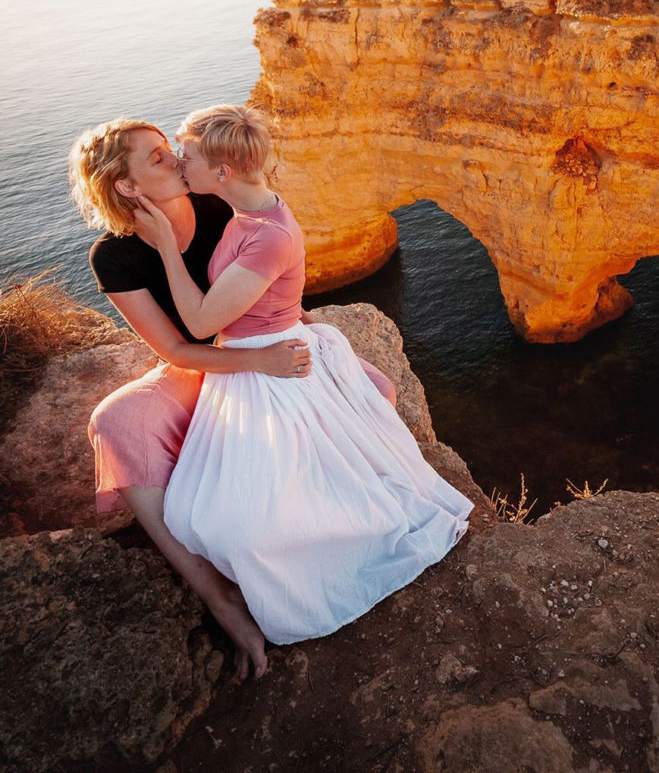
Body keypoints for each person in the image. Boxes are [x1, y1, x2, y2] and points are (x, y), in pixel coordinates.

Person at [133, 104, 474, 652]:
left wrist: (168, 248)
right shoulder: (242, 211)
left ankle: (315, 580)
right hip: (257, 357)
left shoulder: (267, 235)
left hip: (272, 366)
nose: (178, 162)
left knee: (238, 517)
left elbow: (199, 323)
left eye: (187, 156)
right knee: (204, 510)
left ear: (222, 172)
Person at [68, 117, 398, 681]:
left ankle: (317, 523)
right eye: (155, 158)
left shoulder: (218, 206)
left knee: (374, 389)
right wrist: (257, 362)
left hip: (258, 352)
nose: (174, 159)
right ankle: (221, 600)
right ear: (126, 187)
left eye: (171, 149)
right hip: (207, 364)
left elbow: (275, 286)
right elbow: (176, 346)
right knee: (115, 422)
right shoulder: (114, 257)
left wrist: (313, 351)